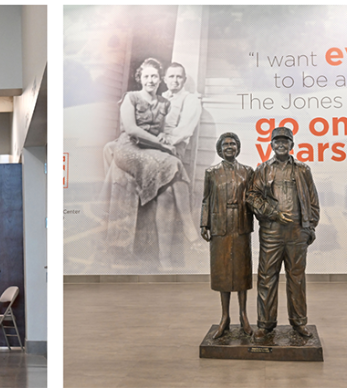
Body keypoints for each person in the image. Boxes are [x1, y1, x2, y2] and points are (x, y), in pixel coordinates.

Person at [103, 57, 197, 265]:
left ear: (159, 79)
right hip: (128, 149)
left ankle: (171, 248)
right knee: (173, 163)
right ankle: (189, 226)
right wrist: (161, 144)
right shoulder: (131, 97)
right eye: (146, 76)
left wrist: (162, 138)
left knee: (174, 168)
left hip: (148, 149)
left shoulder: (164, 102)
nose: (151, 80)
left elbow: (161, 129)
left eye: (154, 76)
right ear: (140, 78)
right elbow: (132, 129)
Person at [247, 125, 319, 340]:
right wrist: (272, 213)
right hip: (272, 232)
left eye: (285, 141)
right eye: (277, 141)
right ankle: (265, 323)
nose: (281, 144)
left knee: (297, 278)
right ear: (271, 145)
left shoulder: (303, 169)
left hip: (297, 232)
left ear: (291, 145)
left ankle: (299, 323)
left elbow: (313, 201)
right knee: (267, 278)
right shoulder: (263, 169)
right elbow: (252, 197)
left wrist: (310, 227)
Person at [201, 133, 254, 338]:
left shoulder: (247, 172)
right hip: (219, 226)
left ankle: (243, 315)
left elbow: (253, 198)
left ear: (238, 148)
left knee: (242, 272)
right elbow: (206, 199)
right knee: (222, 272)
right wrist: (204, 223)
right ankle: (225, 317)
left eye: (233, 144)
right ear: (220, 148)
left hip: (240, 226)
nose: (229, 147)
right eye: (225, 144)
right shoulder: (211, 173)